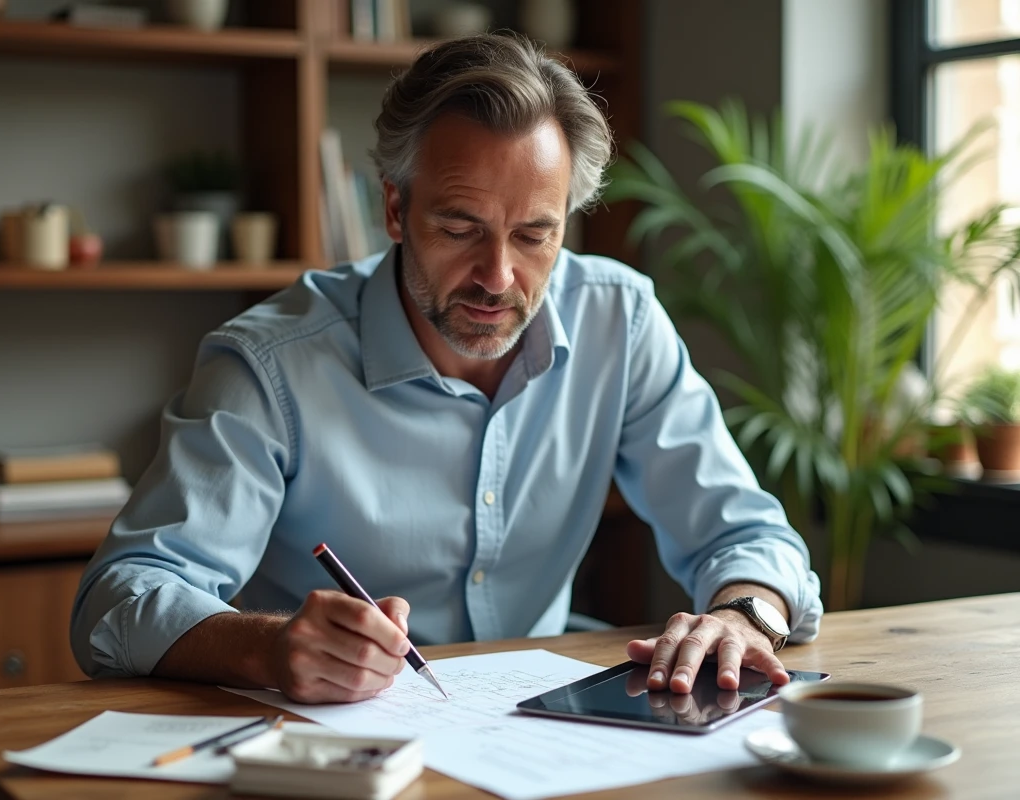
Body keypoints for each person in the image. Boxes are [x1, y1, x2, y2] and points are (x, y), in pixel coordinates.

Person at [70, 33, 822, 704]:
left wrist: (742, 614)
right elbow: (118, 600)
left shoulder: (618, 323)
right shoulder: (270, 365)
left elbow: (748, 533)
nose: (498, 276)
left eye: (535, 234)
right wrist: (266, 647)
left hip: (535, 734)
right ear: (395, 210)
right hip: (326, 748)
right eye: (461, 228)